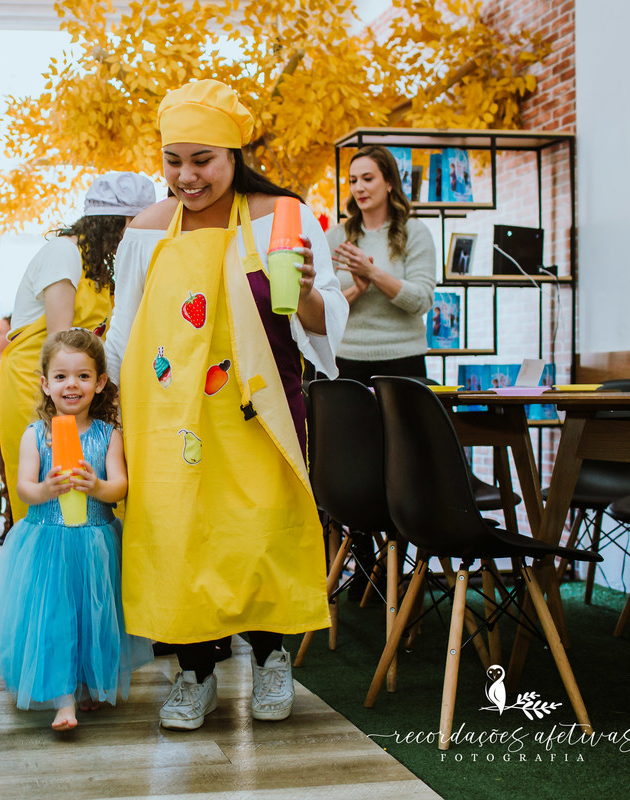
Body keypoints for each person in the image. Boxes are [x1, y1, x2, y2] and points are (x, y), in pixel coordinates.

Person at [104, 79, 346, 731]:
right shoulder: (147, 231)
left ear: (234, 153)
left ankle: (272, 662)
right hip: (169, 415)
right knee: (181, 536)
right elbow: (125, 330)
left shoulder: (283, 216)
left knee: (259, 527)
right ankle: (196, 674)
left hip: (258, 409)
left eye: (202, 160)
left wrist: (300, 282)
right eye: (173, 160)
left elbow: (323, 322)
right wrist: (105, 404)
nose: (186, 177)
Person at [0, 328, 147, 731]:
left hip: (95, 540)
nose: (72, 384)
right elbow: (24, 487)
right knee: (55, 619)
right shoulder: (36, 435)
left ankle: (87, 684)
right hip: (48, 542)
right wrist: (46, 489)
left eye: (83, 376)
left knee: (93, 616)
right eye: (61, 376)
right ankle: (63, 700)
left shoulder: (109, 435)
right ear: (46, 384)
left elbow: (120, 486)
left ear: (100, 383)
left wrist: (98, 486)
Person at [0, 172, 156, 524]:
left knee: (80, 494)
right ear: (116, 223)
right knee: (45, 489)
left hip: (73, 386)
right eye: (136, 226)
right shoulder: (63, 253)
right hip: (39, 384)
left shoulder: (96, 269)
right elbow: (61, 340)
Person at [328, 144, 437, 385]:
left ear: (389, 183)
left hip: (403, 361)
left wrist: (372, 273)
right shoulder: (336, 237)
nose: (359, 188)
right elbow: (323, 308)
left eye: (368, 178)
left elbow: (422, 301)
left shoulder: (415, 233)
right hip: (346, 361)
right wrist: (358, 289)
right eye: (353, 180)